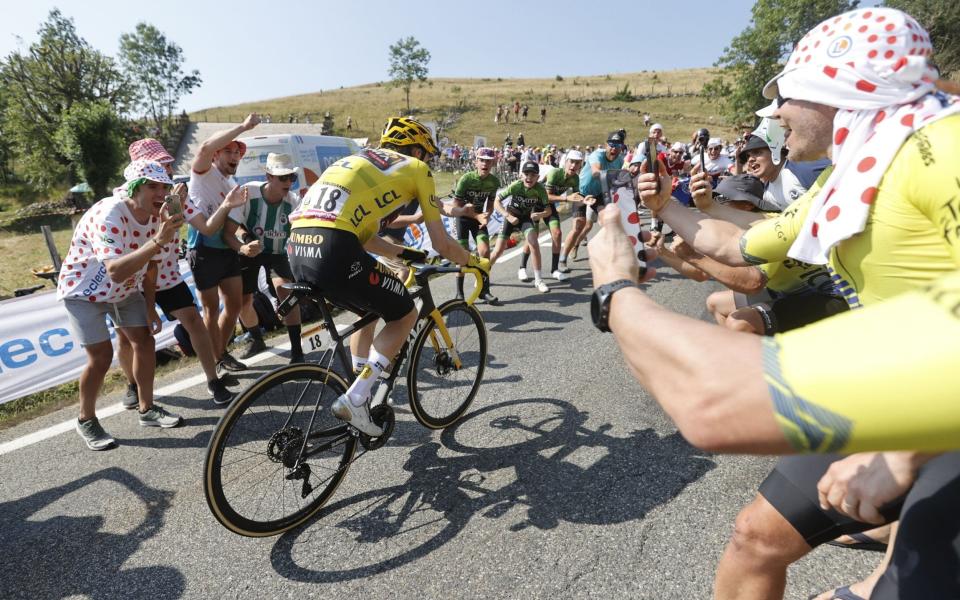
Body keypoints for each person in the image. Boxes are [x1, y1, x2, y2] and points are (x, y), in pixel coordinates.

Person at [629, 7, 960, 598]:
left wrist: (906, 451)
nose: (777, 114)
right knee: (755, 538)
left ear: (841, 87)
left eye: (789, 95)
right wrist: (666, 211)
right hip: (900, 388)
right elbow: (738, 246)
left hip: (942, 414)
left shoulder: (942, 145)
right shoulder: (859, 166)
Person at [287, 116, 489, 436]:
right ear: (415, 150)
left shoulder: (355, 160)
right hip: (334, 247)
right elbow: (441, 241)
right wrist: (475, 262)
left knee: (368, 310)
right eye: (427, 154)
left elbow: (366, 238)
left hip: (297, 247)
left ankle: (359, 390)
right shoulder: (415, 168)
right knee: (405, 313)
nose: (427, 161)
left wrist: (405, 253)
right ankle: (356, 397)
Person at [59, 160, 185, 450]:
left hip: (125, 289)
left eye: (164, 186)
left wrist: (150, 307)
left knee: (144, 340)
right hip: (83, 290)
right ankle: (86, 420)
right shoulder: (110, 212)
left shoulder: (158, 215)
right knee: (101, 357)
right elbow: (115, 269)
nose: (160, 192)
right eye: (152, 186)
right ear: (134, 189)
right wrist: (158, 240)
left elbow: (151, 267)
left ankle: (147, 409)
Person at [119, 139, 235, 407]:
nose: (168, 169)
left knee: (194, 321)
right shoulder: (122, 197)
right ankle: (132, 385)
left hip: (166, 274)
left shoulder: (175, 195)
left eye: (168, 163)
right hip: (135, 277)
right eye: (161, 164)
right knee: (127, 337)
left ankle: (212, 380)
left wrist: (226, 205)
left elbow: (205, 228)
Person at [185, 113, 260, 378]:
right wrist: (243, 127)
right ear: (216, 156)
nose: (234, 156)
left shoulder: (232, 184)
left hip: (225, 250)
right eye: (228, 151)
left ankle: (221, 353)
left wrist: (242, 242)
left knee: (235, 306)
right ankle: (216, 358)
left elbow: (232, 224)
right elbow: (204, 148)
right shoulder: (203, 173)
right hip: (202, 249)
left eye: (237, 152)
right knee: (210, 308)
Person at [223, 152, 305, 364]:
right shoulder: (248, 193)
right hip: (251, 250)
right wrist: (243, 248)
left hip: (277, 253)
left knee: (285, 290)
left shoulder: (295, 202)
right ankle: (256, 338)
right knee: (243, 301)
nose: (288, 182)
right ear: (269, 177)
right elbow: (228, 232)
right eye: (283, 177)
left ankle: (297, 352)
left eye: (291, 177)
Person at [523, 150, 594, 280]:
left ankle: (554, 269)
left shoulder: (575, 179)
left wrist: (584, 200)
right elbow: (547, 196)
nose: (573, 165)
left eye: (577, 163)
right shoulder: (555, 173)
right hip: (535, 203)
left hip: (548, 206)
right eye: (571, 162)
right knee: (533, 236)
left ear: (580, 165)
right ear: (566, 162)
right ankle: (522, 267)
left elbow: (576, 197)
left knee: (557, 234)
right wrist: (566, 199)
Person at [560, 131, 625, 266]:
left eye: (617, 145)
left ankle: (606, 253)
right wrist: (615, 176)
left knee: (608, 221)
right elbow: (596, 172)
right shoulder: (597, 154)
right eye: (611, 144)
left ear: (621, 147)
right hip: (582, 193)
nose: (614, 148)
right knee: (580, 225)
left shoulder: (620, 160)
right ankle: (562, 259)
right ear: (606, 145)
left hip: (600, 194)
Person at [488, 161, 552, 292]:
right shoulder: (515, 186)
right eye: (526, 174)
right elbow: (496, 202)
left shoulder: (540, 190)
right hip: (510, 217)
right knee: (498, 249)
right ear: (521, 175)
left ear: (538, 177)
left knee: (534, 243)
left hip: (525, 219)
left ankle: (538, 280)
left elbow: (548, 211)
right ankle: (483, 276)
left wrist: (540, 214)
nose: (529, 177)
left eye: (533, 175)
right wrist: (508, 216)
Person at [450, 147, 501, 304]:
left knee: (485, 252)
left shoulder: (494, 181)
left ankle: (484, 290)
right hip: (463, 218)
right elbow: (456, 206)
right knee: (462, 255)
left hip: (478, 219)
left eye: (488, 161)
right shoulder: (466, 179)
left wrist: (487, 215)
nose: (485, 164)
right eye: (482, 160)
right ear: (476, 162)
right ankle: (459, 293)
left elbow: (491, 203)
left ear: (493, 163)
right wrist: (477, 216)